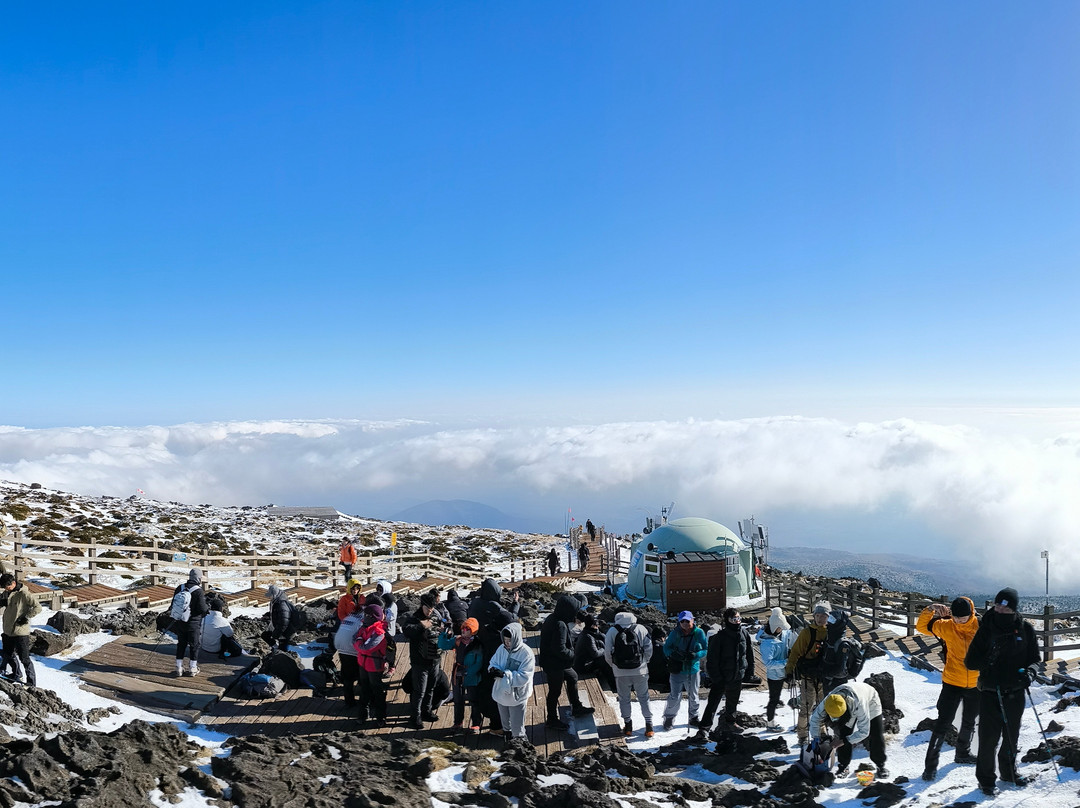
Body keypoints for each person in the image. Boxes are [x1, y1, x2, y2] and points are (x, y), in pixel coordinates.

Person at [964, 587, 1040, 796]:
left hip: (1016, 691)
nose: (1000, 610)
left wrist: (1030, 673)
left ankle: (1008, 772)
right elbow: (970, 662)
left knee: (1011, 735)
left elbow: (1035, 659)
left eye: (1006, 608)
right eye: (998, 606)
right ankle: (986, 780)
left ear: (1014, 609)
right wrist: (989, 660)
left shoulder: (1025, 629)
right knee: (988, 738)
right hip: (990, 691)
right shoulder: (986, 628)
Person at [916, 596, 980, 780]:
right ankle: (930, 767)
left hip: (976, 684)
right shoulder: (946, 626)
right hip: (952, 682)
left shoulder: (981, 627)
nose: (959, 621)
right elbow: (921, 627)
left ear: (971, 613)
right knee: (942, 724)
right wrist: (930, 609)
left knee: (969, 721)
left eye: (963, 617)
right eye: (956, 617)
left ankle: (962, 753)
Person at [467, 578, 520, 735]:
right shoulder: (493, 606)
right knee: (496, 687)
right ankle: (497, 726)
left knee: (480, 686)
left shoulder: (475, 604)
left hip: (477, 649)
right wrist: (515, 604)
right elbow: (510, 619)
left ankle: (478, 723)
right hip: (492, 650)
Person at [809, 681, 889, 780]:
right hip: (849, 703)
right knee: (843, 732)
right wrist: (816, 740)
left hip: (870, 700)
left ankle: (880, 764)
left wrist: (843, 741)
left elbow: (864, 731)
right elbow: (814, 720)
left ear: (845, 711)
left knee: (876, 733)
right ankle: (843, 766)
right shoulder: (828, 702)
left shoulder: (860, 704)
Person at [539, 594, 595, 729]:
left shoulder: (552, 618)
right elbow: (559, 649)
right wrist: (573, 654)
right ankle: (551, 719)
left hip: (552, 661)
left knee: (572, 676)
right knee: (555, 691)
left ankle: (576, 707)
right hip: (554, 664)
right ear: (568, 611)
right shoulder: (560, 625)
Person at [699, 607, 755, 736]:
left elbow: (749, 654)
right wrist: (716, 678)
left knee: (733, 701)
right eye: (733, 619)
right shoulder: (719, 637)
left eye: (738, 618)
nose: (737, 621)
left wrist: (749, 673)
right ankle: (704, 728)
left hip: (737, 675)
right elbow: (711, 660)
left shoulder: (744, 633)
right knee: (713, 703)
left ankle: (730, 723)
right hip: (721, 676)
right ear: (727, 620)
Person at [784, 601, 833, 746]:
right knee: (807, 706)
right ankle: (802, 736)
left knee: (822, 706)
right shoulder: (807, 633)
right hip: (808, 676)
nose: (820, 619)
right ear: (814, 616)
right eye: (818, 615)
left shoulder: (831, 632)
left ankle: (822, 732)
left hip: (823, 676)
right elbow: (795, 652)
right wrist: (789, 670)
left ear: (828, 617)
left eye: (823, 616)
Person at [604, 611, 655, 737]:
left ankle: (628, 726)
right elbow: (649, 648)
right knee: (644, 697)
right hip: (640, 670)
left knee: (624, 698)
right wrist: (645, 661)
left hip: (620, 672)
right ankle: (649, 726)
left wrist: (614, 665)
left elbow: (607, 652)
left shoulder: (612, 631)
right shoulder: (641, 628)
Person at [402, 592, 444, 730]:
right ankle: (415, 717)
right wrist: (421, 626)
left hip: (435, 659)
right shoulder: (414, 618)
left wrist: (444, 630)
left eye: (432, 608)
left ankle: (426, 711)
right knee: (419, 690)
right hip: (420, 661)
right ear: (422, 606)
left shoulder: (435, 616)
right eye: (427, 608)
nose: (430, 611)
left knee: (431, 688)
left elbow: (441, 629)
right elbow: (406, 631)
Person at [662, 610, 708, 731]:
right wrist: (673, 654)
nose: (685, 623)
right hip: (677, 669)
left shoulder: (699, 633)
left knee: (693, 695)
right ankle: (669, 717)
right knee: (674, 696)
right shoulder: (675, 633)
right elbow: (666, 648)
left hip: (693, 669)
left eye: (687, 621)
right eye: (682, 621)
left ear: (692, 620)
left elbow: (705, 649)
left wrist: (696, 655)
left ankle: (694, 717)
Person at [489, 622, 535, 741]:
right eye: (505, 640)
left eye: (510, 640)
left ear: (516, 638)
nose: (507, 643)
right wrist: (493, 670)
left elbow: (524, 676)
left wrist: (504, 675)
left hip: (517, 696)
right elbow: (493, 662)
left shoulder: (526, 654)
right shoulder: (501, 649)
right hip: (501, 692)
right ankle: (508, 741)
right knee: (505, 723)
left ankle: (521, 744)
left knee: (517, 726)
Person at [438, 616, 484, 733]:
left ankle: (476, 724)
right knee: (458, 699)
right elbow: (443, 645)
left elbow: (479, 662)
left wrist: (469, 672)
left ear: (473, 631)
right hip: (458, 673)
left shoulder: (478, 644)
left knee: (474, 700)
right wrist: (444, 634)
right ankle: (458, 722)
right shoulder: (457, 640)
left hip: (472, 675)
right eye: (463, 628)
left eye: (467, 629)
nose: (463, 631)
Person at [353, 603, 393, 726]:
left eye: (366, 614)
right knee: (364, 689)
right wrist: (360, 643)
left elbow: (365, 647)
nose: (364, 616)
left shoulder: (379, 631)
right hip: (363, 663)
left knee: (377, 691)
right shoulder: (364, 627)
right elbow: (354, 640)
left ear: (372, 617)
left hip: (374, 666)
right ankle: (362, 715)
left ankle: (380, 717)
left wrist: (359, 641)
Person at [757, 607, 796, 730]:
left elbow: (792, 638)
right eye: (780, 627)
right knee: (774, 699)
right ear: (774, 628)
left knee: (797, 694)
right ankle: (770, 723)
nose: (783, 629)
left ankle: (799, 721)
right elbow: (768, 663)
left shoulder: (782, 634)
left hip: (786, 671)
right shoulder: (767, 643)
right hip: (774, 675)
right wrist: (786, 662)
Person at [0, 573, 40, 686]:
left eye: (7, 587)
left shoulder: (24, 594)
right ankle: (16, 674)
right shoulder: (7, 593)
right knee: (8, 654)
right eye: (4, 587)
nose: (6, 589)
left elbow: (38, 607)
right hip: (8, 630)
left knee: (24, 658)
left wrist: (26, 617)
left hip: (20, 631)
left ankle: (31, 683)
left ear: (13, 583)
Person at [173, 569, 209, 677]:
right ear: (198, 578)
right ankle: (193, 668)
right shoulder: (198, 591)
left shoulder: (180, 588)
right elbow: (202, 609)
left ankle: (179, 667)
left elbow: (173, 604)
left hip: (180, 621)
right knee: (194, 645)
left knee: (181, 644)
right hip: (193, 623)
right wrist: (207, 608)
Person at [334, 608, 365, 711]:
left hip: (340, 645)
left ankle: (349, 701)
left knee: (347, 676)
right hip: (353, 647)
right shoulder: (367, 617)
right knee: (363, 675)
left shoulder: (350, 616)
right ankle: (365, 701)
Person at [574, 613, 615, 691]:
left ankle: (613, 682)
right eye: (596, 624)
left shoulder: (587, 632)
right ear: (592, 625)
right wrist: (604, 649)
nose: (597, 626)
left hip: (586, 662)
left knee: (604, 656)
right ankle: (613, 685)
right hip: (583, 666)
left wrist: (601, 635)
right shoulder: (587, 637)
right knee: (604, 660)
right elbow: (595, 654)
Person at [266, 585, 297, 651]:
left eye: (270, 595)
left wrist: (277, 633)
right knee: (265, 635)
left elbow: (284, 621)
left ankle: (283, 653)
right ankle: (276, 648)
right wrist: (268, 615)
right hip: (279, 628)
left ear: (274, 594)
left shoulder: (282, 604)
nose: (269, 597)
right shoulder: (275, 601)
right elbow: (276, 612)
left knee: (283, 649)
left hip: (285, 631)